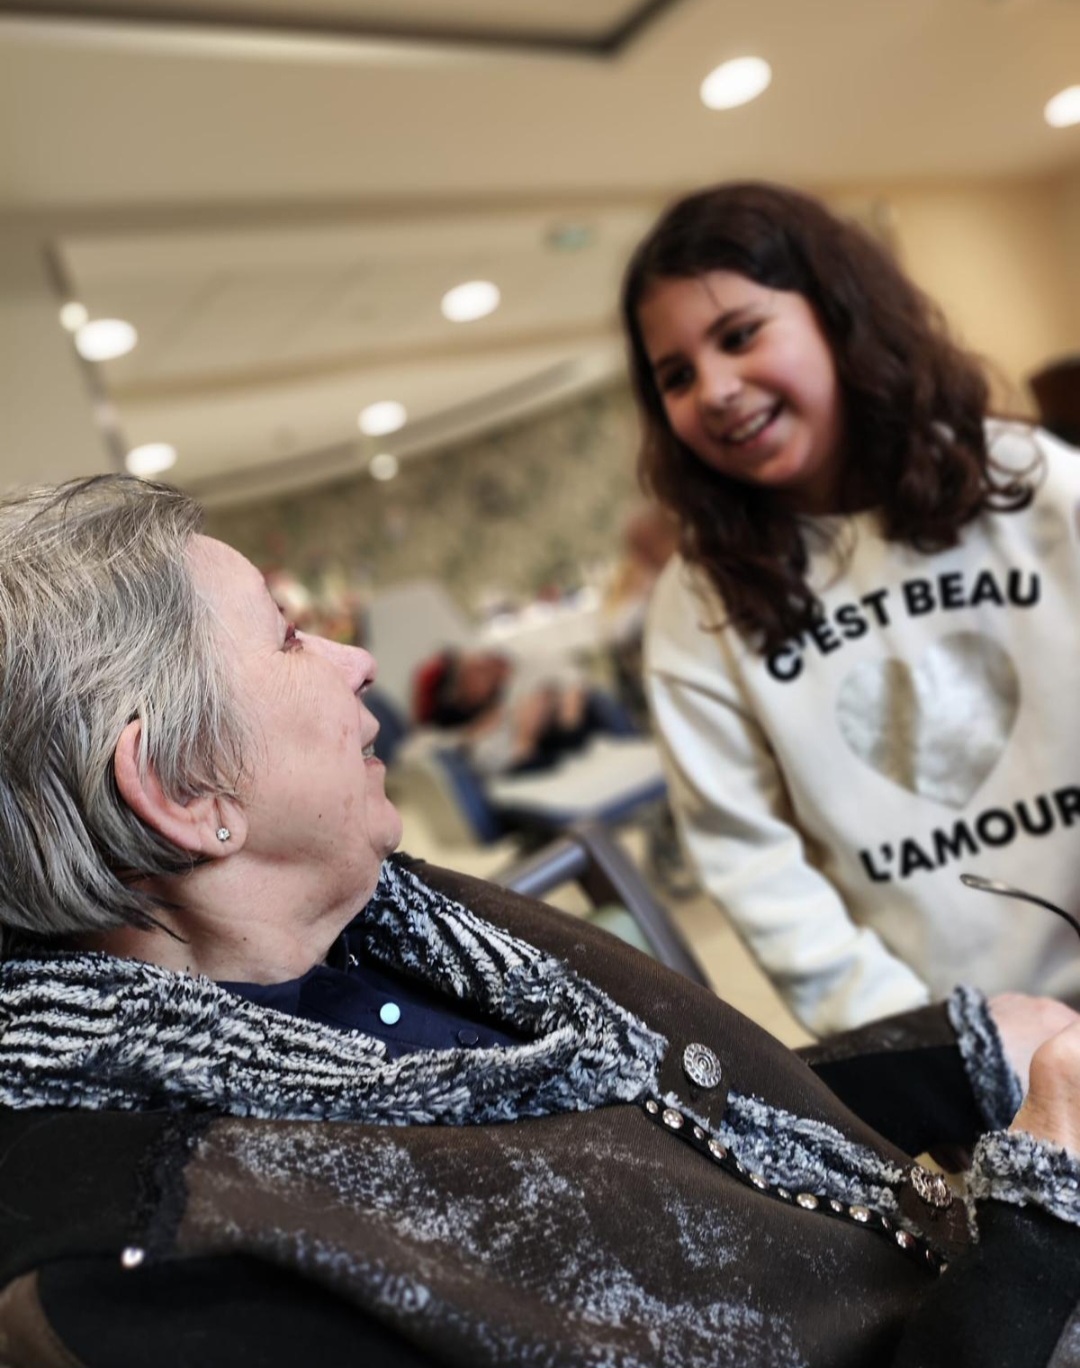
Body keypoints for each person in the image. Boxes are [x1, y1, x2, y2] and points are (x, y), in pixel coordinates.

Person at [3, 475, 1080, 1368]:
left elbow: (662, 1135)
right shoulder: (156, 1278)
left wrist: (963, 1052)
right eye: (288, 639)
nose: (356, 660)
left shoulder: (386, 922)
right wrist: (1037, 1224)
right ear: (182, 792)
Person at [622, 180, 1080, 1037]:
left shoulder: (1028, 481)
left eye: (739, 334)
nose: (715, 387)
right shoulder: (697, 604)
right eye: (677, 375)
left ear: (838, 314)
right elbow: (751, 862)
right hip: (967, 1044)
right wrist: (931, 1051)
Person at [411, 646, 621, 775]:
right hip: (543, 770)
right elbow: (411, 753)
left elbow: (571, 681)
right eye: (472, 672)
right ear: (459, 699)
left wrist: (568, 707)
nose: (485, 664)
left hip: (582, 743)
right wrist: (524, 740)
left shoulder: (513, 689)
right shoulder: (472, 742)